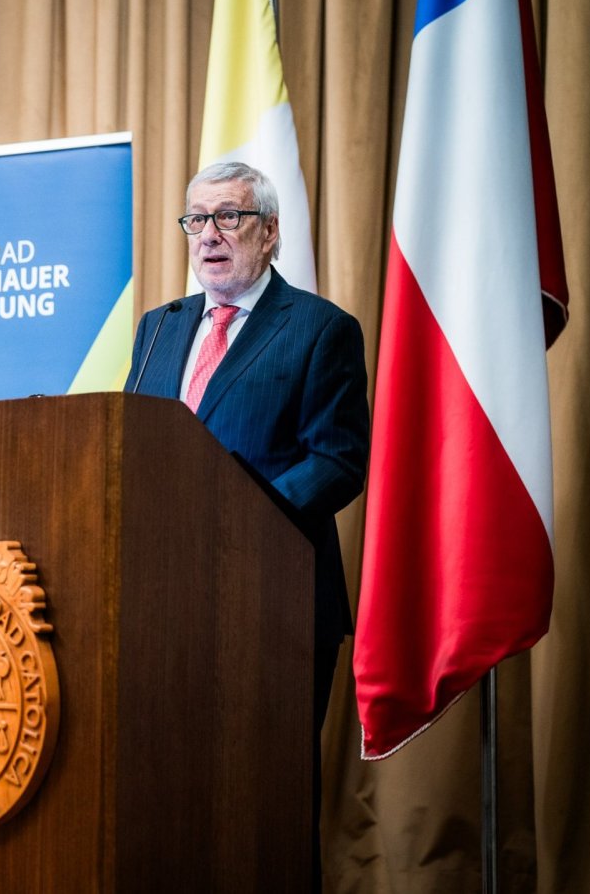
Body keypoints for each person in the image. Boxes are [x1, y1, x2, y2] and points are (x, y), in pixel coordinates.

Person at [123, 161, 369, 887]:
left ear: (270, 232)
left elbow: (338, 460)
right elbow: (135, 447)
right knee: (169, 796)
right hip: (164, 608)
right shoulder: (159, 329)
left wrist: (238, 524)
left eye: (229, 217)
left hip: (275, 605)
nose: (209, 235)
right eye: (196, 219)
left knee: (265, 802)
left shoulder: (320, 329)